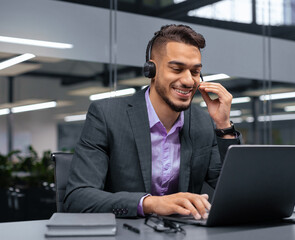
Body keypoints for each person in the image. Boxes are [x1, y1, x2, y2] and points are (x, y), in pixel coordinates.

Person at [64, 24, 241, 220]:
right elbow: (77, 198)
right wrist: (151, 203)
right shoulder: (107, 116)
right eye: (177, 69)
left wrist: (223, 126)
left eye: (195, 72)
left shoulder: (202, 122)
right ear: (151, 70)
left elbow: (239, 191)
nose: (189, 81)